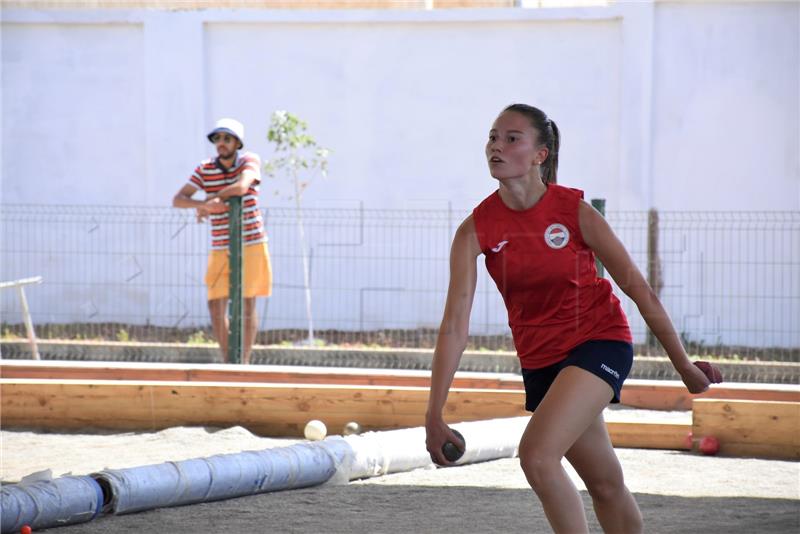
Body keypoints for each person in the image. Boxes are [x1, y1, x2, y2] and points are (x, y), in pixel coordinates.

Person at [425, 104, 723, 533]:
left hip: (599, 341)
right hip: (542, 361)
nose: (496, 146)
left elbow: (638, 289)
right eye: (493, 137)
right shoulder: (475, 229)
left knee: (537, 457)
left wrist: (684, 366)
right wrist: (433, 414)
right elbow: (454, 325)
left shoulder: (576, 212)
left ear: (539, 155)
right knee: (604, 484)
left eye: (512, 138)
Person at [172, 118, 272, 364]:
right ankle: (230, 363)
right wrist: (203, 205)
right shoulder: (205, 168)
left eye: (227, 139)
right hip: (221, 245)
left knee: (247, 304)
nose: (221, 144)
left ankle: (244, 363)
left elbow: (241, 187)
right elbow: (178, 199)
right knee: (215, 305)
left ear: (237, 143)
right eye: (218, 139)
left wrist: (213, 200)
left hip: (251, 242)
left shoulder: (250, 160)